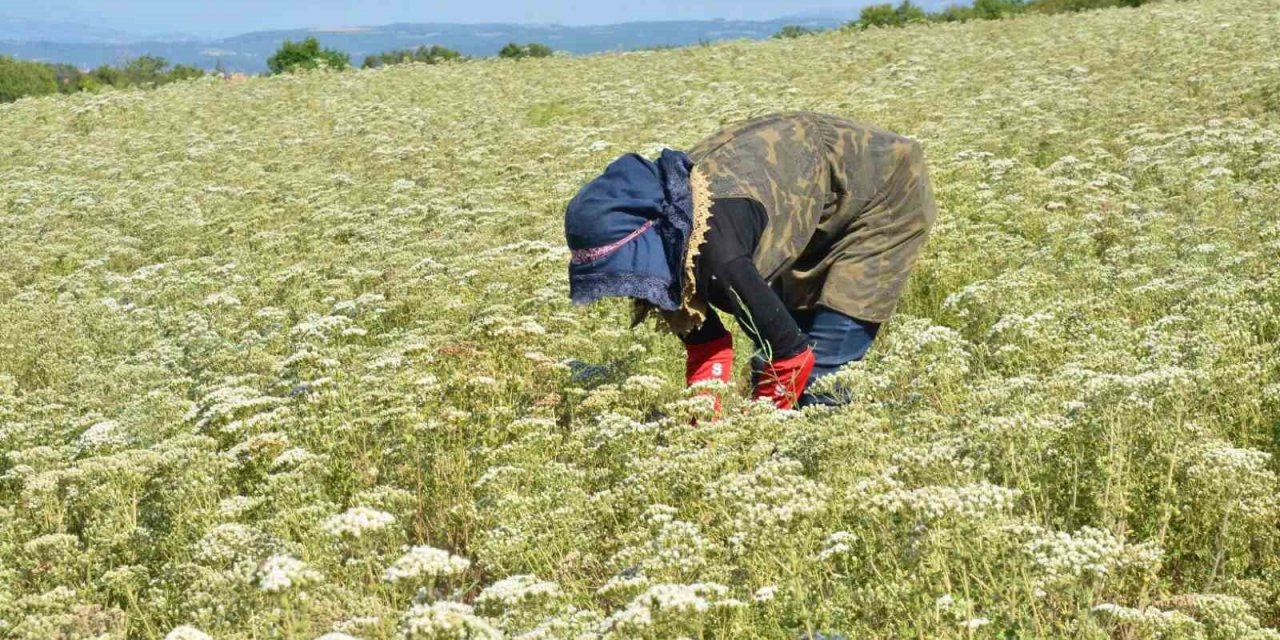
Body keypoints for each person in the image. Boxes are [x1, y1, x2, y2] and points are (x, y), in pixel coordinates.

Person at [564, 112, 937, 411]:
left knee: (821, 376)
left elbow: (792, 357)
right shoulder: (670, 232)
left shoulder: (716, 253)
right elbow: (707, 348)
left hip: (878, 193)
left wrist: (750, 442)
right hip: (808, 195)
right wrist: (696, 430)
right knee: (770, 359)